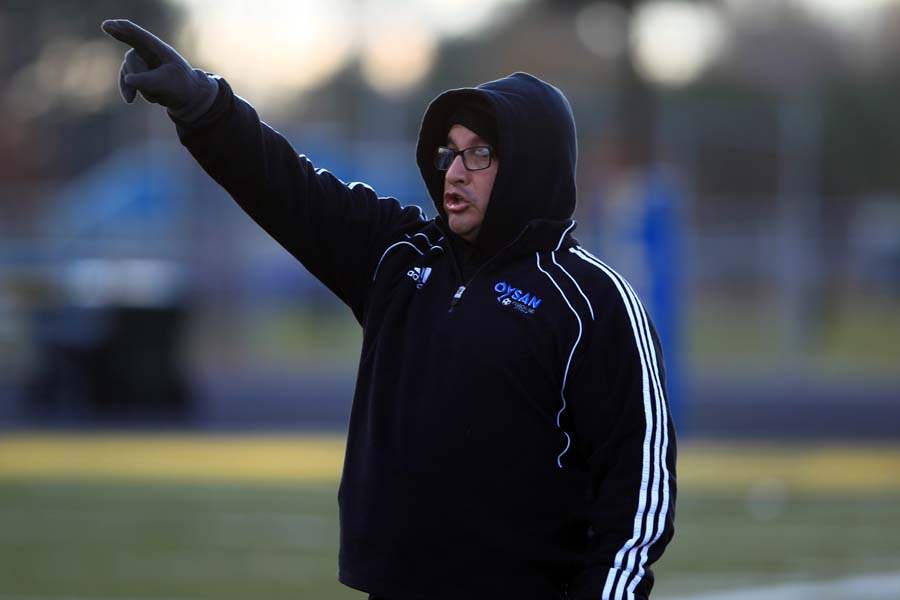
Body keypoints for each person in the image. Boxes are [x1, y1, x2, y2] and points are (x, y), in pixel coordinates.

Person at [102, 18, 676, 600]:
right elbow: (287, 187)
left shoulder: (595, 303)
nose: (453, 171)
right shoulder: (398, 255)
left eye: (480, 155)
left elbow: (639, 487)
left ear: (531, 163)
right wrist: (202, 104)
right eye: (449, 153)